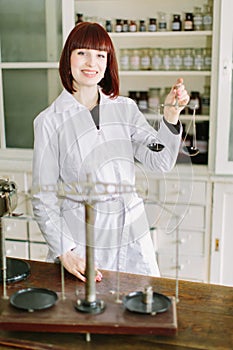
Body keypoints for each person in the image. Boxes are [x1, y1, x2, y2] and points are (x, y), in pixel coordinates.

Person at [32, 22, 189, 283]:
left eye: (100, 55)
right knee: (88, 315)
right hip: (83, 238)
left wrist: (171, 116)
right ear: (68, 57)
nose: (91, 62)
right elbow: (42, 197)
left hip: (132, 231)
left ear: (108, 63)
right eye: (82, 52)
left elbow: (159, 161)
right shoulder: (50, 121)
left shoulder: (124, 109)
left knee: (139, 311)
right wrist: (65, 252)